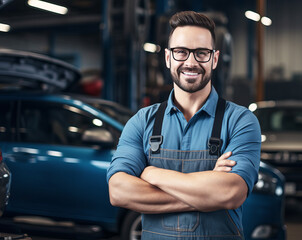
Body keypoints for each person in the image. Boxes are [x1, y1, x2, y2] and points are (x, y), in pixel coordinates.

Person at [107, 11, 261, 239]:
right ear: (168, 58)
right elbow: (118, 191)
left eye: (201, 53)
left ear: (215, 59)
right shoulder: (142, 121)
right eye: (181, 52)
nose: (191, 62)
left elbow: (230, 193)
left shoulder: (240, 121)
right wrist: (208, 195)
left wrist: (152, 174)